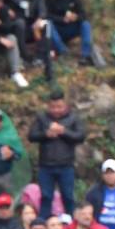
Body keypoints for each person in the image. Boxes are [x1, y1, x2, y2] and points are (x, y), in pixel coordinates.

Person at [28, 90, 85, 221]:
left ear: (65, 105)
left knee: (68, 197)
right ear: (48, 106)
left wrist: (63, 131)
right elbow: (31, 136)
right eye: (53, 107)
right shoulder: (42, 118)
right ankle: (43, 225)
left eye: (59, 107)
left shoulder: (73, 118)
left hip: (66, 165)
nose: (56, 110)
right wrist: (45, 134)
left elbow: (80, 136)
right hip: (46, 166)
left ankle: (71, 225)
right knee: (46, 197)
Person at [45, 0, 101, 66]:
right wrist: (61, 19)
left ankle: (85, 55)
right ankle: (62, 50)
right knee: (47, 24)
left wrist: (76, 17)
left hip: (70, 28)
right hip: (56, 29)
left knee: (85, 24)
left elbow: (83, 14)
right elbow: (46, 15)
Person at [5, 0, 52, 77]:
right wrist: (7, 10)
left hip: (30, 28)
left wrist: (39, 18)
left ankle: (41, 57)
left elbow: (42, 10)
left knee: (46, 24)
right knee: (20, 23)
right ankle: (24, 56)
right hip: (14, 27)